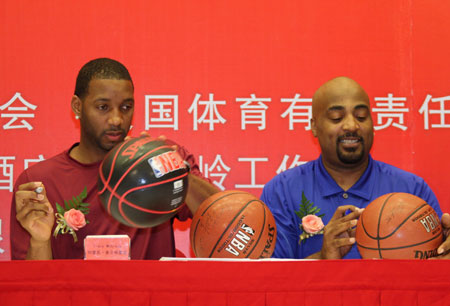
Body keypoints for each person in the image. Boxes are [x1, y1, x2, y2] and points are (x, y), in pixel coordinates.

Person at [11, 58, 219, 260]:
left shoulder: (162, 160)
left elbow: (223, 223)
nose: (117, 119)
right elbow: (30, 288)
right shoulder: (40, 181)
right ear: (77, 106)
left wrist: (181, 177)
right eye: (103, 107)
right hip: (76, 296)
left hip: (149, 296)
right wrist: (40, 242)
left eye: (126, 107)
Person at [261, 76, 450, 259]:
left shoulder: (412, 190)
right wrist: (322, 259)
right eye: (336, 117)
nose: (352, 125)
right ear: (315, 126)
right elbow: (271, 280)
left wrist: (444, 250)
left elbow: (434, 274)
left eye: (361, 116)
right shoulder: (282, 191)